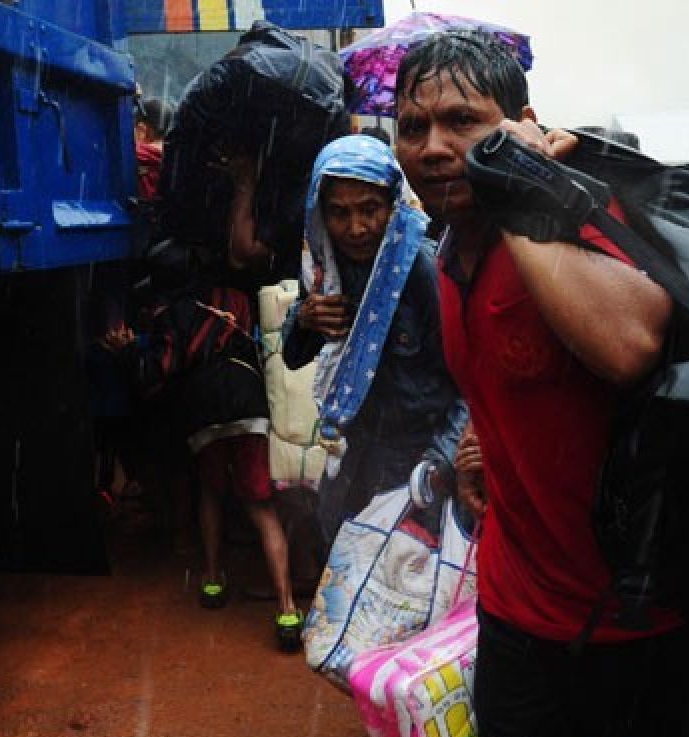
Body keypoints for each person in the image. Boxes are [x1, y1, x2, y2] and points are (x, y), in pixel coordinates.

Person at [395, 31, 689, 737]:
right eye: (412, 127)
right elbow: (509, 381)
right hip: (517, 612)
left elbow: (630, 343)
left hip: (643, 624)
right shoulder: (445, 252)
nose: (434, 147)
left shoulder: (573, 221)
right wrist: (486, 455)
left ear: (525, 124)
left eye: (464, 122)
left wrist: (523, 193)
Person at [102, 264, 303, 651]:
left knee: (210, 494)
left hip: (205, 408)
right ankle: (287, 609)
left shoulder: (171, 315)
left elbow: (157, 374)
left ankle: (212, 580)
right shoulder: (237, 300)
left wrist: (127, 354)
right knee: (261, 507)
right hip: (248, 399)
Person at [281, 134, 467, 543]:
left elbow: (471, 386)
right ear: (320, 214)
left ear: (393, 207)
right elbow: (293, 357)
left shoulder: (422, 271)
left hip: (416, 467)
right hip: (349, 460)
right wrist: (305, 319)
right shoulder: (323, 270)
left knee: (401, 589)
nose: (356, 228)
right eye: (339, 213)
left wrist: (440, 463)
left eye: (370, 209)